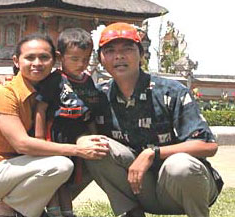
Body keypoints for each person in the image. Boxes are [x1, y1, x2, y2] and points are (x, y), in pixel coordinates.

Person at [79, 22, 223, 217]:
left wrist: (152, 153)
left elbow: (207, 146)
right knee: (94, 145)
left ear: (142, 55)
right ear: (101, 59)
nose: (119, 56)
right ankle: (131, 213)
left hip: (179, 186)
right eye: (110, 50)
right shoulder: (98, 96)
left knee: (180, 165)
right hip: (140, 189)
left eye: (127, 49)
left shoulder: (171, 92)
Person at [0, 34, 109, 217]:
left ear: (54, 60)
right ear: (16, 61)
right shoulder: (5, 94)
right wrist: (77, 149)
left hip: (23, 165)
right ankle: (8, 207)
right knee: (61, 165)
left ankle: (39, 209)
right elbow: (22, 144)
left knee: (88, 162)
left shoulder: (51, 88)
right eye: (29, 57)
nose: (37, 63)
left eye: (44, 57)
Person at [35, 28, 102, 217]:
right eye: (74, 59)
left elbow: (89, 114)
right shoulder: (55, 80)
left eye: (86, 59)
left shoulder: (88, 81)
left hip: (77, 135)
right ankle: (54, 211)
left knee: (69, 177)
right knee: (57, 176)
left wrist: (95, 135)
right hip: (56, 133)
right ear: (60, 56)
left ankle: (68, 211)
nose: (81, 64)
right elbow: (41, 108)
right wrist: (40, 140)